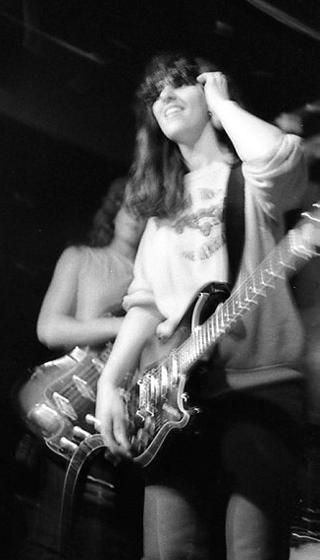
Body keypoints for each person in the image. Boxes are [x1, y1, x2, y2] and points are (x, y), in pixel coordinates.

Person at [95, 52, 310, 560]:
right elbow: (147, 305)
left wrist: (222, 103)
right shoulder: (160, 213)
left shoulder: (251, 180)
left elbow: (282, 157)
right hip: (174, 401)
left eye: (179, 87)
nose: (164, 98)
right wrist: (110, 382)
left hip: (261, 391)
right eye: (157, 94)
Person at [18, 177, 145, 560]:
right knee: (49, 534)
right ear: (114, 207)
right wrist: (125, 325)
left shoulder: (157, 277)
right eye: (128, 203)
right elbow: (49, 328)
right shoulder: (81, 258)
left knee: (103, 539)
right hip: (67, 409)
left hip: (126, 421)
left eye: (146, 208)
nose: (135, 214)